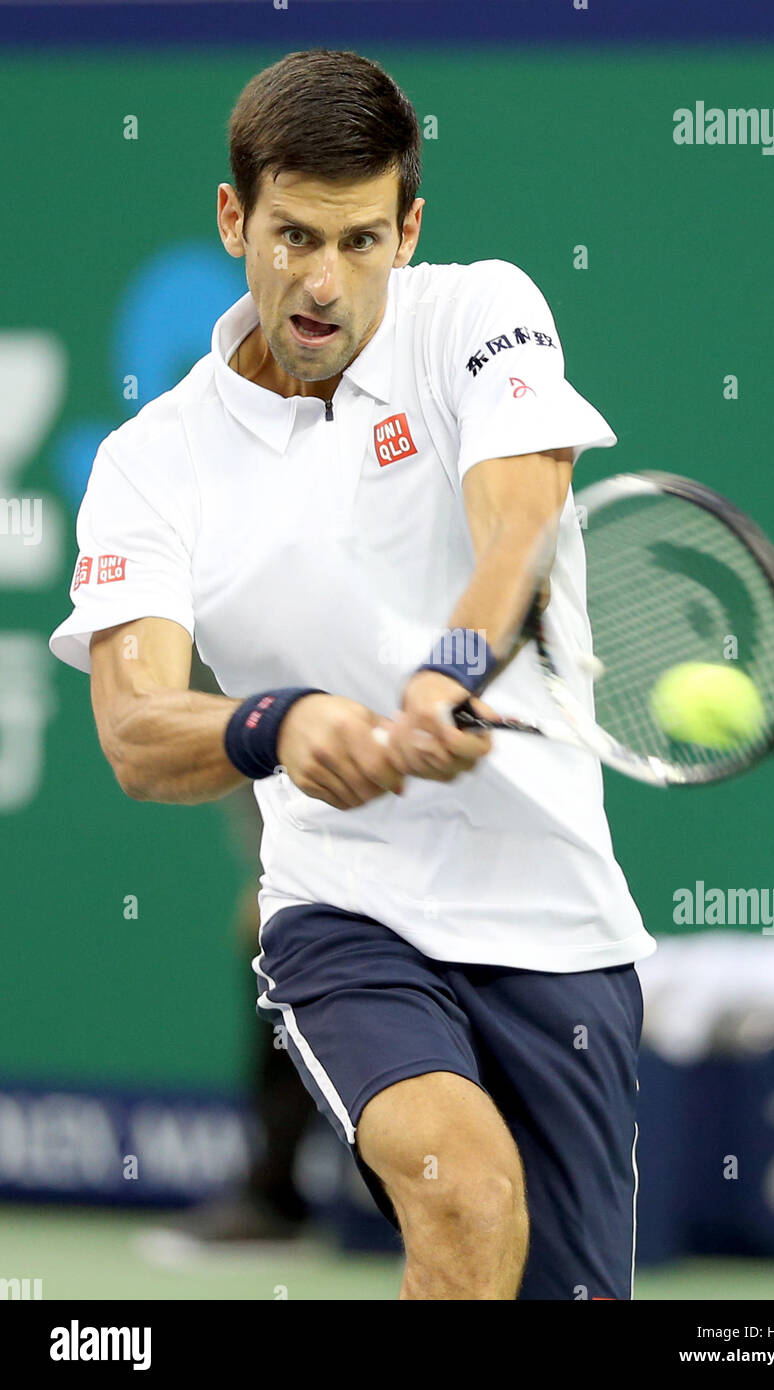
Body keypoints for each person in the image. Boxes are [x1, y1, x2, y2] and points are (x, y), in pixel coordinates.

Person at [49, 48, 656, 1300]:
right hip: (347, 910)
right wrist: (277, 722)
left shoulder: (480, 310)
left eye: (362, 241)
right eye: (292, 238)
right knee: (463, 1189)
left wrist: (449, 667)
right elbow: (134, 727)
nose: (323, 283)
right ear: (234, 220)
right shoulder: (152, 464)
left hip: (557, 922)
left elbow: (520, 523)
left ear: (410, 229)